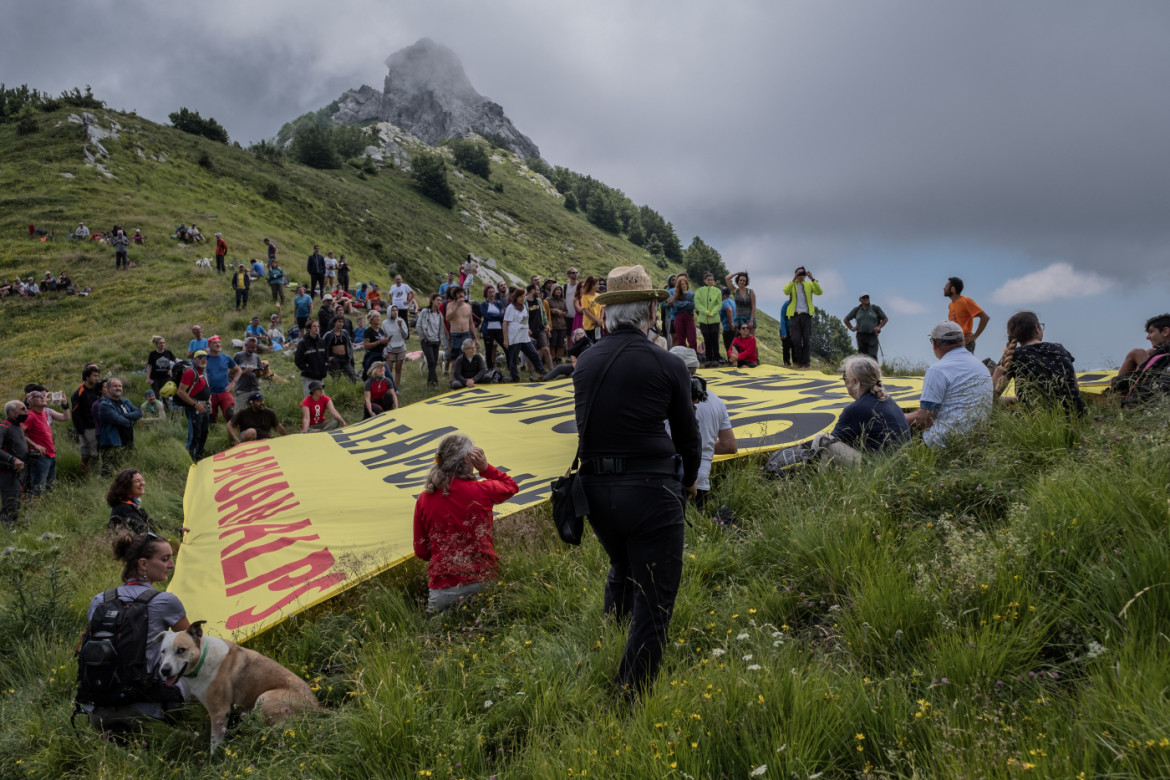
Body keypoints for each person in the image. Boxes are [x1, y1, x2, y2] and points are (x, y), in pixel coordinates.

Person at [574, 265, 701, 696]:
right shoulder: (667, 364)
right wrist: (687, 485)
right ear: (651, 310)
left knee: (622, 566)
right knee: (655, 598)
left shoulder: (585, 362)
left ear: (607, 313)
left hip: (596, 494)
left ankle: (609, 638)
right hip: (650, 489)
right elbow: (688, 437)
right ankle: (632, 693)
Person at [83, 532, 189, 734]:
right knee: (190, 669)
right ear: (143, 564)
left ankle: (115, 731)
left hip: (97, 713)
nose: (172, 565)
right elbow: (195, 646)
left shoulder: (99, 601)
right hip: (151, 711)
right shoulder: (165, 601)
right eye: (165, 559)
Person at [412, 435, 518, 614]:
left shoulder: (424, 499)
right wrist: (485, 468)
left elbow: (421, 552)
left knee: (438, 637)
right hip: (486, 579)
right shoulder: (482, 490)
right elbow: (511, 486)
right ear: (469, 460)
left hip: (443, 589)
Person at [810, 355, 911, 466]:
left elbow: (832, 441)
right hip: (902, 464)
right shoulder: (888, 400)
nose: (844, 383)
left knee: (822, 440)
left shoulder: (855, 409)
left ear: (855, 382)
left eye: (845, 378)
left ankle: (817, 479)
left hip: (878, 469)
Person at [905, 321, 994, 448]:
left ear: (934, 343)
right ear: (963, 341)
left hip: (944, 442)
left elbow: (924, 421)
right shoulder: (980, 366)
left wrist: (895, 416)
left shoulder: (938, 370)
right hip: (977, 440)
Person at [669, 347, 736, 510]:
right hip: (701, 482)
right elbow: (730, 446)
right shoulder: (716, 402)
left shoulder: (663, 398)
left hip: (667, 480)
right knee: (699, 531)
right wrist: (702, 449)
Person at [991, 312, 1086, 415]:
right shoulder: (1060, 349)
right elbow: (1075, 386)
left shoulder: (1014, 356)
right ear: (1037, 328)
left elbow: (991, 393)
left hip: (1038, 420)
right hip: (1076, 416)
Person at [22, 389, 67, 495]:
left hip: (50, 454)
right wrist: (34, 445)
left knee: (50, 487)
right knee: (38, 488)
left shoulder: (44, 413)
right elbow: (19, 433)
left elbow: (66, 417)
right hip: (40, 457)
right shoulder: (30, 415)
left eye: (43, 395)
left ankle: (47, 509)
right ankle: (36, 509)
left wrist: (64, 404)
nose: (43, 397)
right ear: (30, 402)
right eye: (38, 396)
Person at [98, 378, 142, 475]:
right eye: (115, 386)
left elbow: (139, 413)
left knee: (128, 471)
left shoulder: (125, 401)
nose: (118, 388)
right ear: (108, 388)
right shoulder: (104, 405)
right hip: (112, 444)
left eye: (120, 386)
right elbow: (118, 420)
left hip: (128, 442)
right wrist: (131, 421)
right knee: (110, 472)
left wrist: (123, 415)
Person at [782, 266, 822, 369]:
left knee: (807, 339)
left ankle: (806, 363)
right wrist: (794, 279)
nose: (801, 275)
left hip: (806, 315)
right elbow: (785, 291)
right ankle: (799, 362)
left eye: (802, 273)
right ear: (795, 274)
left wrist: (812, 278)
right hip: (795, 315)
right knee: (796, 340)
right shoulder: (792, 285)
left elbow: (819, 291)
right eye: (798, 273)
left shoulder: (808, 285)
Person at [176, 351, 212, 462]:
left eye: (206, 357)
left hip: (204, 407)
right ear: (194, 359)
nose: (204, 359)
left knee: (204, 432)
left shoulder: (203, 371)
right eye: (200, 357)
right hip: (194, 409)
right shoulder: (190, 372)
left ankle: (199, 457)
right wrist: (195, 405)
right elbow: (180, 392)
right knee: (194, 436)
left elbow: (206, 388)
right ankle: (189, 460)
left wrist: (209, 403)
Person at [503, 289, 545, 382]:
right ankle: (515, 378)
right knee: (513, 359)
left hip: (525, 338)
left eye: (524, 296)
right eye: (521, 296)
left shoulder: (523, 307)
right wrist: (505, 340)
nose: (523, 298)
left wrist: (528, 330)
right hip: (515, 338)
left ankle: (542, 373)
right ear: (516, 297)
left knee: (534, 355)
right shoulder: (511, 308)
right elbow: (505, 324)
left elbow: (524, 321)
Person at [69, 364, 104, 477]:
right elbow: (75, 414)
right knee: (86, 455)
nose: (96, 378)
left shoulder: (97, 389)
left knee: (98, 453)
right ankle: (86, 477)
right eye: (94, 375)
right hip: (87, 428)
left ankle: (97, 475)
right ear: (87, 377)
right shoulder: (79, 393)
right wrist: (82, 432)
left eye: (98, 375)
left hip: (99, 425)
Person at [1, 400, 30, 525]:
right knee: (10, 503)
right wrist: (13, 459)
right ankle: (7, 529)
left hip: (19, 472)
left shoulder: (18, 426)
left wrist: (29, 455)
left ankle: (11, 527)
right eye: (23, 409)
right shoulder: (3, 427)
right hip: (7, 472)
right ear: (12, 413)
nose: (27, 411)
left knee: (16, 502)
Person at [944, 277, 990, 354]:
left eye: (946, 286)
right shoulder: (950, 305)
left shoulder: (966, 301)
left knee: (964, 366)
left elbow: (985, 317)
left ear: (952, 289)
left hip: (966, 342)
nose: (944, 288)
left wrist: (974, 336)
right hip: (954, 342)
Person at [105, 469, 158, 533]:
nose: (142, 483)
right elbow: (144, 531)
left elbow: (155, 527)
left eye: (142, 480)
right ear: (127, 486)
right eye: (137, 481)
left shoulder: (132, 506)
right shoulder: (124, 508)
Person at [203, 336, 241, 424]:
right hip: (209, 394)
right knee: (211, 420)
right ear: (209, 345)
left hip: (225, 392)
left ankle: (233, 434)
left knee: (230, 414)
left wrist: (233, 382)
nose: (218, 344)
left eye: (219, 342)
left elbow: (239, 370)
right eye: (215, 342)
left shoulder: (226, 357)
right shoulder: (204, 359)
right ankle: (213, 435)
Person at [844, 294, 889, 361]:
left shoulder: (875, 308)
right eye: (864, 297)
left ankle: (873, 371)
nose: (866, 298)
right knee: (862, 356)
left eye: (867, 297)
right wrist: (852, 328)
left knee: (872, 355)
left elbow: (885, 319)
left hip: (872, 335)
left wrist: (879, 327)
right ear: (860, 300)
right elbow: (846, 319)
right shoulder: (856, 310)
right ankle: (863, 371)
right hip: (861, 336)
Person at [694, 273, 723, 366]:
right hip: (703, 319)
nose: (710, 281)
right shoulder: (699, 291)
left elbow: (719, 304)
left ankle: (716, 359)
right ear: (704, 281)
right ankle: (708, 358)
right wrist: (705, 311)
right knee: (707, 339)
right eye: (708, 279)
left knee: (714, 339)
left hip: (714, 319)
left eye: (712, 279)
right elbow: (697, 303)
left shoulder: (718, 291)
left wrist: (712, 312)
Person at [294, 320, 328, 396]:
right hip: (309, 378)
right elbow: (298, 360)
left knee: (321, 400)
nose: (317, 328)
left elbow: (326, 357)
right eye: (314, 326)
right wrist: (308, 370)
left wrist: (325, 367)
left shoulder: (322, 342)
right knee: (309, 400)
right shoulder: (303, 343)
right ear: (309, 329)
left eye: (318, 326)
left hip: (320, 377)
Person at [417, 294, 445, 387]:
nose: (439, 302)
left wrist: (440, 340)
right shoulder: (425, 312)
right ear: (432, 300)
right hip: (426, 341)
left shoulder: (439, 315)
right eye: (437, 300)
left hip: (436, 341)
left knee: (433, 363)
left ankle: (430, 382)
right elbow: (419, 325)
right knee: (432, 361)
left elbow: (441, 328)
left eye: (440, 300)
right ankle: (435, 382)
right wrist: (423, 337)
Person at [525, 284, 553, 369]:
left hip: (540, 329)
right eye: (537, 290)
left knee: (546, 349)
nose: (539, 292)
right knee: (531, 352)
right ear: (532, 290)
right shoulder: (524, 302)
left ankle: (552, 370)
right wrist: (526, 329)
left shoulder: (539, 301)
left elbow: (543, 314)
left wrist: (547, 324)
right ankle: (531, 373)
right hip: (529, 330)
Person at [445, 286, 477, 359]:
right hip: (455, 334)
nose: (461, 294)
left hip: (466, 333)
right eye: (458, 293)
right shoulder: (450, 305)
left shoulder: (468, 306)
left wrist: (475, 337)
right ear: (454, 295)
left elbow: (471, 323)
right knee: (455, 360)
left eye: (462, 292)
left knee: (468, 357)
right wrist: (457, 306)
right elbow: (448, 318)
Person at [381, 305, 410, 387]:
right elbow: (384, 337)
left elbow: (405, 335)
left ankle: (395, 387)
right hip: (390, 349)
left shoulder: (401, 321)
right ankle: (389, 386)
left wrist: (400, 327)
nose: (395, 312)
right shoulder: (385, 323)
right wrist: (384, 351)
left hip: (401, 348)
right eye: (393, 310)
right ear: (389, 311)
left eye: (396, 310)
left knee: (398, 369)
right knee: (388, 370)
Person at [323, 316, 358, 382]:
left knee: (352, 376)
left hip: (345, 358)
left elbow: (349, 345)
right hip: (335, 358)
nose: (341, 324)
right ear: (334, 323)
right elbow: (323, 346)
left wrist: (350, 355)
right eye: (339, 322)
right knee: (336, 377)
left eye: (342, 322)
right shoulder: (329, 334)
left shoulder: (345, 333)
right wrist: (327, 358)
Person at [232, 337, 264, 408]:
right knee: (237, 411)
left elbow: (261, 371)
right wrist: (244, 372)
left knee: (258, 410)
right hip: (242, 389)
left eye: (254, 348)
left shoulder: (256, 357)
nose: (253, 350)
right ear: (245, 345)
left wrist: (258, 373)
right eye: (251, 348)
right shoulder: (238, 356)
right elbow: (231, 372)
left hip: (255, 388)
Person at [479, 286, 507, 367]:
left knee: (505, 347)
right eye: (490, 292)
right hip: (488, 329)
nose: (492, 294)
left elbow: (503, 316)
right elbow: (486, 317)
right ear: (486, 294)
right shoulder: (484, 304)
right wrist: (499, 315)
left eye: (493, 292)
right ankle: (490, 367)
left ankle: (509, 365)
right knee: (489, 350)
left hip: (499, 329)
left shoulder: (498, 303)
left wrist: (492, 315)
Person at [668, 275, 697, 350]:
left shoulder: (691, 295)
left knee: (692, 339)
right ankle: (682, 358)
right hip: (678, 318)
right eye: (681, 284)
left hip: (689, 317)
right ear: (679, 286)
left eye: (685, 283)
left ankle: (694, 357)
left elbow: (692, 306)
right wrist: (687, 303)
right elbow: (676, 305)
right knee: (680, 341)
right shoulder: (676, 295)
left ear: (687, 284)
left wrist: (683, 304)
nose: (683, 285)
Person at [546, 285, 569, 362]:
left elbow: (566, 311)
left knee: (560, 343)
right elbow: (546, 310)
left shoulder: (563, 301)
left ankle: (559, 357)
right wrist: (555, 311)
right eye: (557, 290)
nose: (559, 291)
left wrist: (562, 313)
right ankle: (552, 357)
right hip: (553, 324)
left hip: (562, 325)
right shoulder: (548, 300)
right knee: (553, 342)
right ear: (553, 290)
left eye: (560, 290)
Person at [578, 275, 603, 342]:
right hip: (590, 325)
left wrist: (600, 320)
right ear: (592, 285)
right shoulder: (585, 297)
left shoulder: (599, 296)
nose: (599, 286)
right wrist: (596, 320)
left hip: (599, 325)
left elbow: (602, 308)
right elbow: (586, 311)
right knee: (591, 344)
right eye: (597, 284)